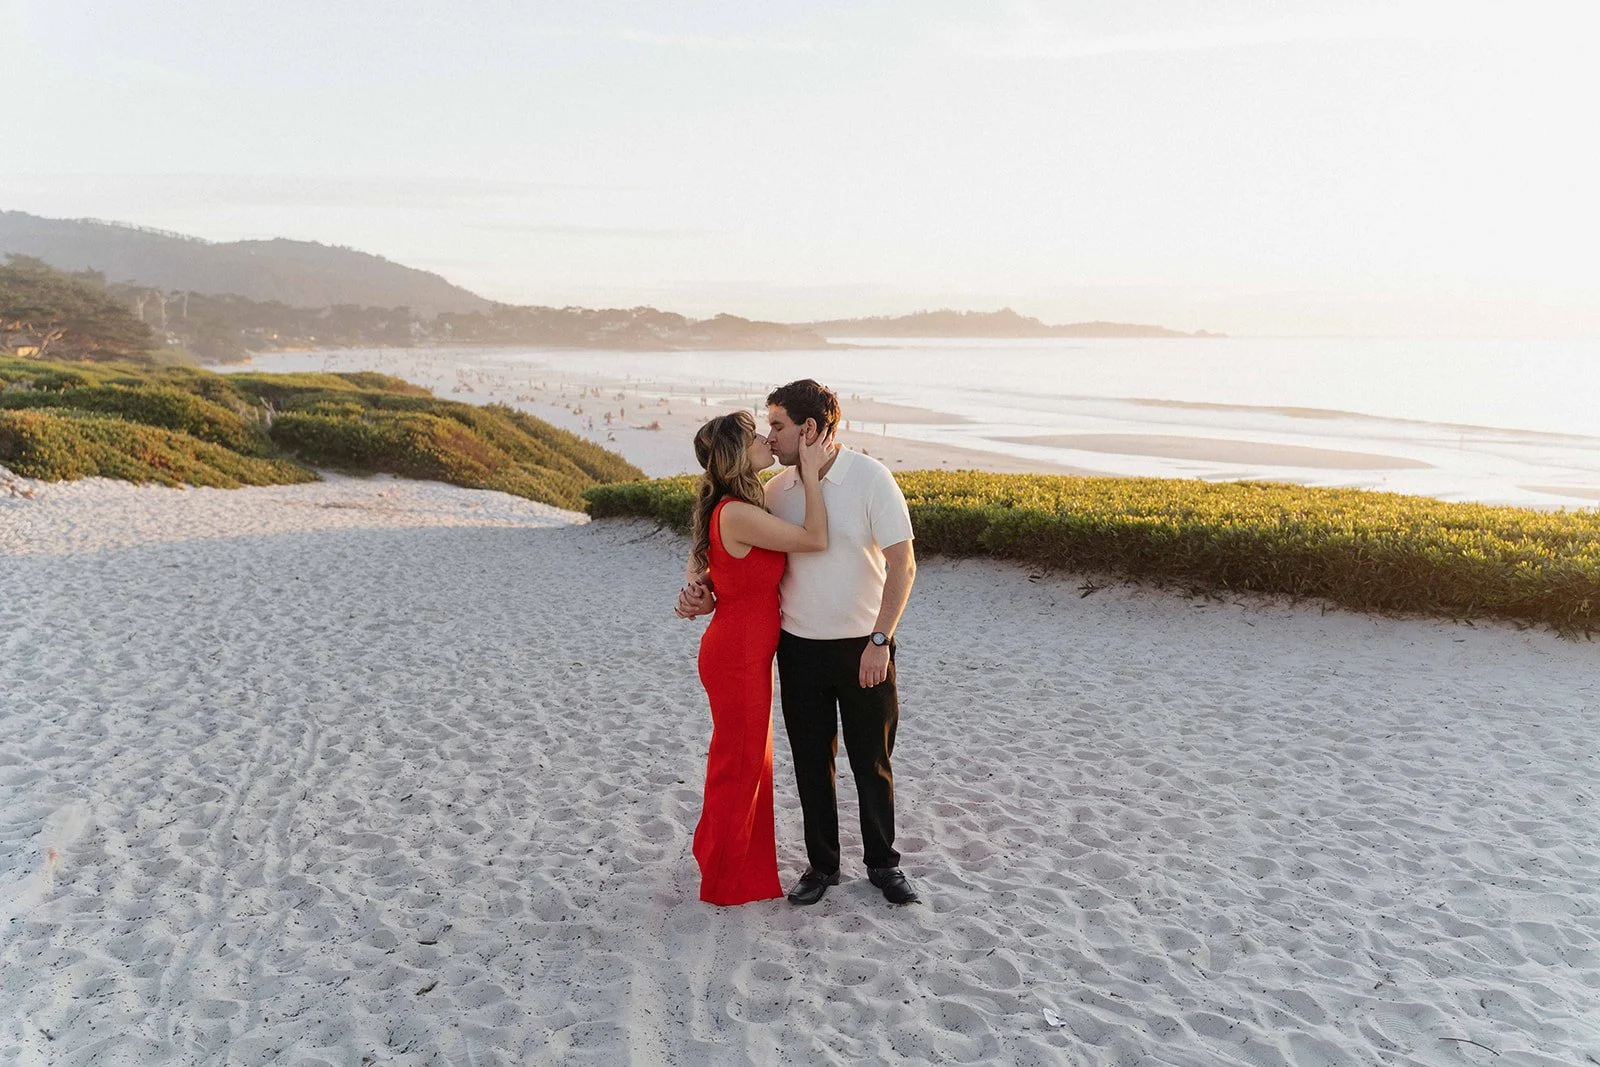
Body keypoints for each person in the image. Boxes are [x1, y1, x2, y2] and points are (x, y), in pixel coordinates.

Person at [679, 380, 920, 907]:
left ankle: (883, 864)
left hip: (864, 644)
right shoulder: (775, 490)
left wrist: (882, 638)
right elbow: (727, 550)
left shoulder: (871, 478)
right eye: (765, 428)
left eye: (778, 425)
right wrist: (702, 590)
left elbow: (903, 565)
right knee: (812, 763)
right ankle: (822, 867)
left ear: (808, 429)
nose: (771, 435)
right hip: (796, 648)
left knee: (871, 761)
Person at [687, 409, 832, 906]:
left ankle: (721, 858)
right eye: (755, 438)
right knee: (741, 765)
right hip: (738, 657)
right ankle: (725, 880)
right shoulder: (738, 512)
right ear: (735, 456)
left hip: (739, 650)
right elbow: (815, 539)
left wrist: (703, 590)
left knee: (742, 762)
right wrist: (811, 475)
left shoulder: (735, 507)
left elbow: (713, 572)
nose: (767, 440)